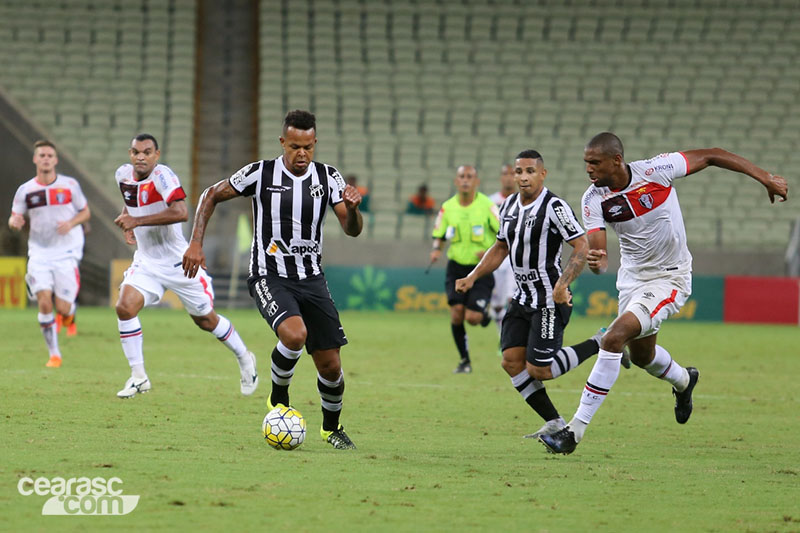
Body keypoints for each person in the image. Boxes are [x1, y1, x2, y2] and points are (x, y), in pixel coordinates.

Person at [540, 132, 789, 455]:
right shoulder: (593, 200)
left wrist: (765, 177)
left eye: (595, 162)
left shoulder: (656, 170)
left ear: (616, 160)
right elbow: (600, 258)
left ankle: (573, 432)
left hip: (669, 278)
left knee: (613, 338)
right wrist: (598, 262)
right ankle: (684, 380)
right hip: (632, 281)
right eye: (586, 162)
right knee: (642, 356)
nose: (588, 168)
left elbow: (712, 154)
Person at [182, 110, 364, 450]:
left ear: (315, 143)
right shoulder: (260, 173)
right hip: (269, 274)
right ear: (282, 142)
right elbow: (210, 195)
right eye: (295, 146)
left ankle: (331, 429)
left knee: (331, 366)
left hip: (312, 279)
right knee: (294, 334)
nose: (302, 154)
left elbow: (351, 230)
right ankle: (278, 397)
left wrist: (353, 209)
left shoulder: (329, 178)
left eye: (308, 147)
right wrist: (195, 242)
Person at [455, 150, 607, 439]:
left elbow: (581, 245)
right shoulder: (508, 205)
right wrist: (473, 276)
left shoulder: (554, 207)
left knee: (541, 370)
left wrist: (562, 285)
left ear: (542, 174)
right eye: (519, 171)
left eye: (530, 171)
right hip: (522, 298)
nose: (523, 177)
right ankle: (553, 421)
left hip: (549, 300)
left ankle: (599, 342)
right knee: (511, 362)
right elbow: (501, 247)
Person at [112, 133, 258, 399]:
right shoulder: (122, 175)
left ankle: (244, 357)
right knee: (124, 307)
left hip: (180, 263)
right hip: (147, 262)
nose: (141, 157)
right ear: (130, 154)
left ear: (157, 155)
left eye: (147, 152)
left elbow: (181, 212)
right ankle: (139, 377)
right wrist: (127, 219)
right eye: (136, 152)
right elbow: (130, 200)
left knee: (206, 320)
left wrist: (137, 222)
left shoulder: (163, 176)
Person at [8, 140, 90, 367]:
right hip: (40, 253)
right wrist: (14, 223)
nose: (45, 159)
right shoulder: (25, 190)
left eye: (49, 155)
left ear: (55, 160)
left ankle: (69, 314)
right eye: (42, 155)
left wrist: (71, 222)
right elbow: (14, 218)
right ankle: (54, 355)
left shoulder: (70, 185)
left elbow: (85, 212)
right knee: (44, 302)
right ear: (35, 159)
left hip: (66, 252)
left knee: (63, 308)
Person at [430, 165, 497, 374]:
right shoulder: (448, 207)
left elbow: (504, 232)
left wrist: (489, 251)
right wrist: (436, 250)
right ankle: (464, 360)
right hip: (456, 268)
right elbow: (439, 233)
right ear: (456, 181)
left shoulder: (487, 205)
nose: (465, 180)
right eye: (462, 176)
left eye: (469, 176)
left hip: (481, 269)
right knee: (456, 314)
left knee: (472, 318)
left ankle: (484, 314)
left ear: (477, 181)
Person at [487, 164, 516, 333]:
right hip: (496, 255)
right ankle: (503, 337)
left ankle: (514, 337)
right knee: (497, 304)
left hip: (515, 256)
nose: (509, 177)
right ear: (501, 177)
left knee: (513, 298)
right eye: (505, 174)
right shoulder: (490, 202)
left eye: (512, 173)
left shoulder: (523, 200)